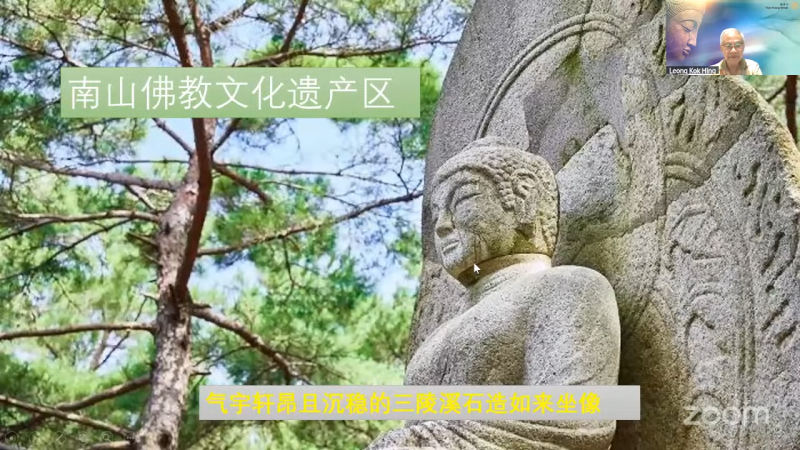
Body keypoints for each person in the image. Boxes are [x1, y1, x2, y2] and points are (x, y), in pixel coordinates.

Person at [366, 137, 621, 450]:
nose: (443, 226)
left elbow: (584, 420)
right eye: (436, 215)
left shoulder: (567, 286)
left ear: (524, 197)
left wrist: (426, 442)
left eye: (462, 200)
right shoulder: (435, 338)